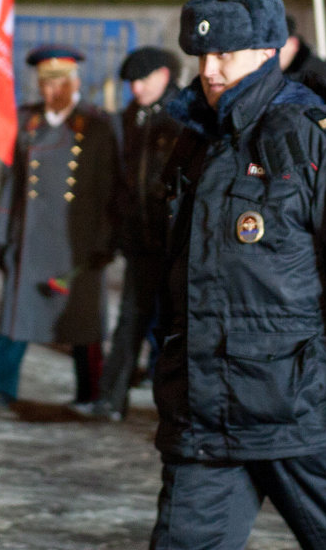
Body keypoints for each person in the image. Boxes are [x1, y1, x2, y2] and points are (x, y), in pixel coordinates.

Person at [150, 0, 326, 549]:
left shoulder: (314, 139)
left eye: (226, 56)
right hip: (203, 415)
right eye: (202, 56)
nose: (210, 70)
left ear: (268, 52)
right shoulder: (192, 139)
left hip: (295, 408)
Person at [0, 45, 120, 412]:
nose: (50, 91)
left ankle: (91, 392)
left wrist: (106, 239)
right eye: (44, 83)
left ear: (74, 81)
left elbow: (112, 188)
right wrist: (2, 232)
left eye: (58, 83)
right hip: (31, 236)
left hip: (78, 240)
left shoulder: (98, 124)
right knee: (16, 314)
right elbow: (11, 183)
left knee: (84, 321)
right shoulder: (26, 122)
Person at [89, 46, 182, 422]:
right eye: (130, 83)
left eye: (142, 80)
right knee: (130, 320)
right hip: (140, 242)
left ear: (163, 75)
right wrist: (114, 234)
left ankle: (176, 405)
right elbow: (121, 182)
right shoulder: (130, 118)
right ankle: (111, 398)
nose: (135, 89)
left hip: (176, 244)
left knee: (177, 325)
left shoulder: (185, 115)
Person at [278, 14, 326, 127]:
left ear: (294, 43)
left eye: (278, 48)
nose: (272, 53)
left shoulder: (321, 75)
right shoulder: (277, 74)